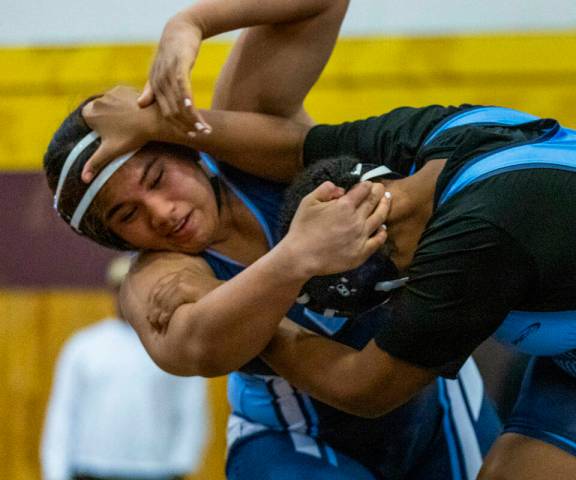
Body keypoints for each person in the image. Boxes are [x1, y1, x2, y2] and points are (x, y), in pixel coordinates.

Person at [43, 1, 501, 478]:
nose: (161, 214)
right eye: (126, 214)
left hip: (432, 404)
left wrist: (191, 23)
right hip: (294, 438)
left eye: (157, 179)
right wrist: (296, 257)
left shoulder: (246, 131)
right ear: (118, 238)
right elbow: (199, 347)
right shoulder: (157, 277)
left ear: (186, 150)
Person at [240, 104, 576, 480]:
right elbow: (300, 143)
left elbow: (366, 389)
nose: (402, 295)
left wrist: (256, 330)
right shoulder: (421, 136)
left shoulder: (473, 244)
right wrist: (174, 121)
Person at [40, 255, 208, 480]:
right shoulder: (84, 347)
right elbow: (63, 414)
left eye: (135, 289)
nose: (128, 297)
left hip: (156, 472)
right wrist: (56, 472)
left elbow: (191, 409)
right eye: (120, 289)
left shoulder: (172, 346)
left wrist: (180, 467)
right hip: (91, 470)